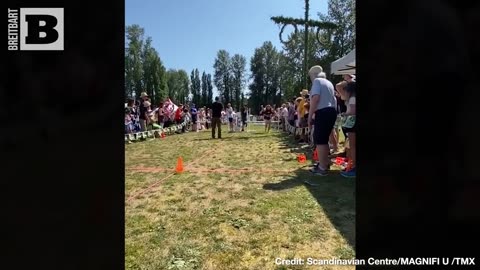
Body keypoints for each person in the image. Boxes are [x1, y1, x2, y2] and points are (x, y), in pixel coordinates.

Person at [307, 65, 337, 176]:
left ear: (313, 75)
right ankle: (325, 162)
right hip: (331, 111)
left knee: (320, 140)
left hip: (323, 112)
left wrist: (310, 116)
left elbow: (316, 98)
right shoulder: (329, 83)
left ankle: (322, 167)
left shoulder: (317, 82)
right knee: (324, 139)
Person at [337, 81, 356, 178]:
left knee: (352, 146)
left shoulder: (353, 98)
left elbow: (352, 111)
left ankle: (354, 167)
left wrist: (344, 114)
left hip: (353, 124)